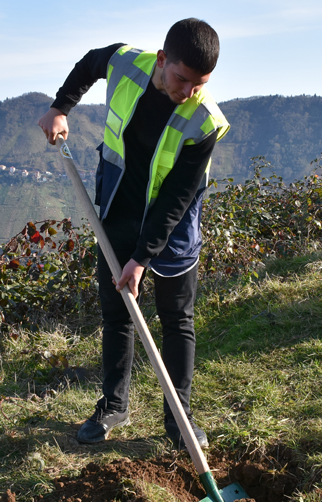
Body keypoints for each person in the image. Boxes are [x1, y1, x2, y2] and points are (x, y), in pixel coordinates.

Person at [37, 18, 229, 448]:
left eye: (199, 85)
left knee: (177, 320)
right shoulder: (127, 63)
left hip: (172, 227)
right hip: (119, 209)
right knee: (116, 313)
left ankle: (178, 421)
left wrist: (142, 259)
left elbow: (176, 199)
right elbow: (89, 65)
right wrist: (60, 107)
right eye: (182, 80)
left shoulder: (206, 123)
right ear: (163, 60)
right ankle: (113, 407)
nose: (188, 93)